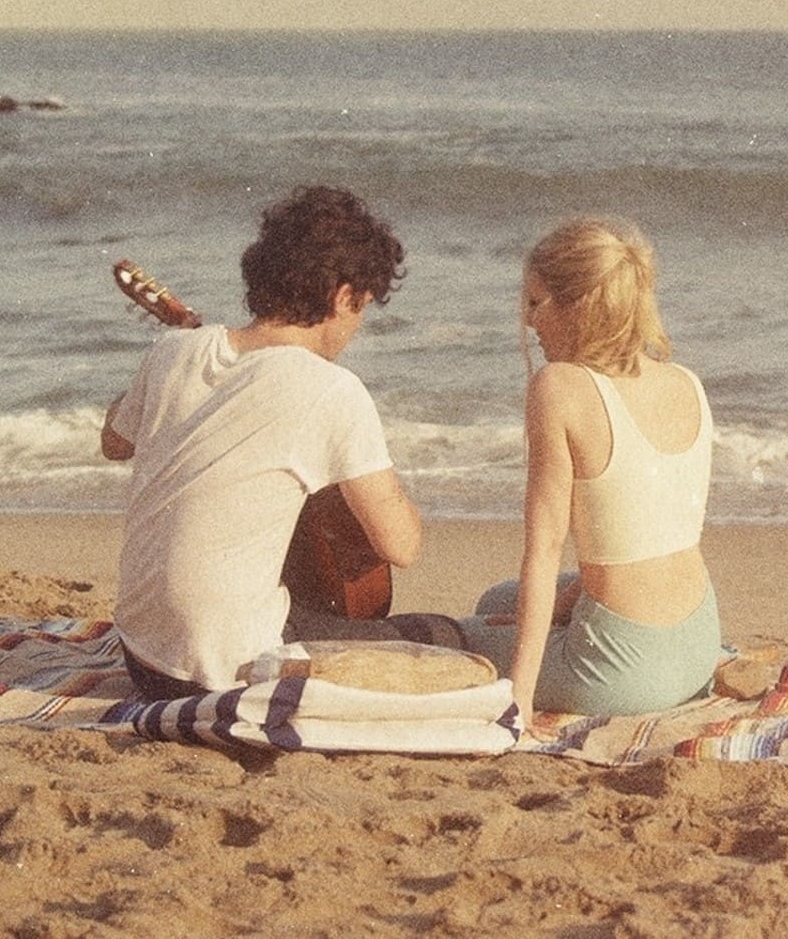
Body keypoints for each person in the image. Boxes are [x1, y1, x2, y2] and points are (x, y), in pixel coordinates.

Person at [102, 185, 463, 701]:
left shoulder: (173, 350)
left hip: (143, 659)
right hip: (222, 671)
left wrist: (172, 359)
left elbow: (114, 442)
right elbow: (401, 546)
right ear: (342, 297)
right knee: (443, 636)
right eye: (361, 307)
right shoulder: (332, 389)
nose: (356, 326)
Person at [465, 218, 721, 718]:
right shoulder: (685, 381)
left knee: (459, 638)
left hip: (622, 674)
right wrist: (559, 612)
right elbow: (635, 533)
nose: (529, 321)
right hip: (698, 645)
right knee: (496, 601)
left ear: (578, 306)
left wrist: (519, 698)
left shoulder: (558, 387)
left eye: (536, 303)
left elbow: (544, 551)